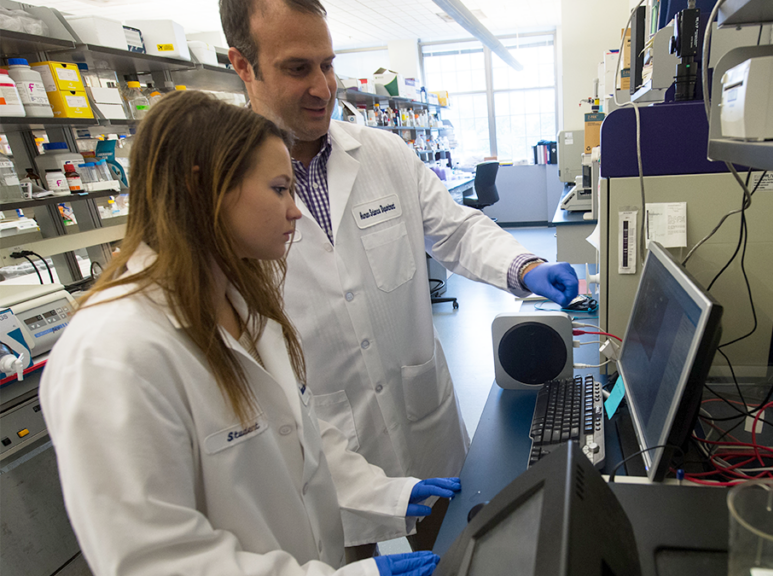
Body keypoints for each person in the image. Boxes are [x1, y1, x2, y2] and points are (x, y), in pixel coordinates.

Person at [39, 90, 456, 576]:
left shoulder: (245, 306)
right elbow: (155, 560)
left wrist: (390, 493)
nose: (296, 209)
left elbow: (298, 440)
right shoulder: (112, 354)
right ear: (204, 189)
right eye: (280, 189)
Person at [220, 0, 580, 557]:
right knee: (345, 555)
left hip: (420, 414)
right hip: (324, 432)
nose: (323, 86)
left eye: (328, 64)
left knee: (451, 538)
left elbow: (455, 231)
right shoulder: (224, 190)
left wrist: (525, 267)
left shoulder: (383, 153)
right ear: (243, 66)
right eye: (298, 68)